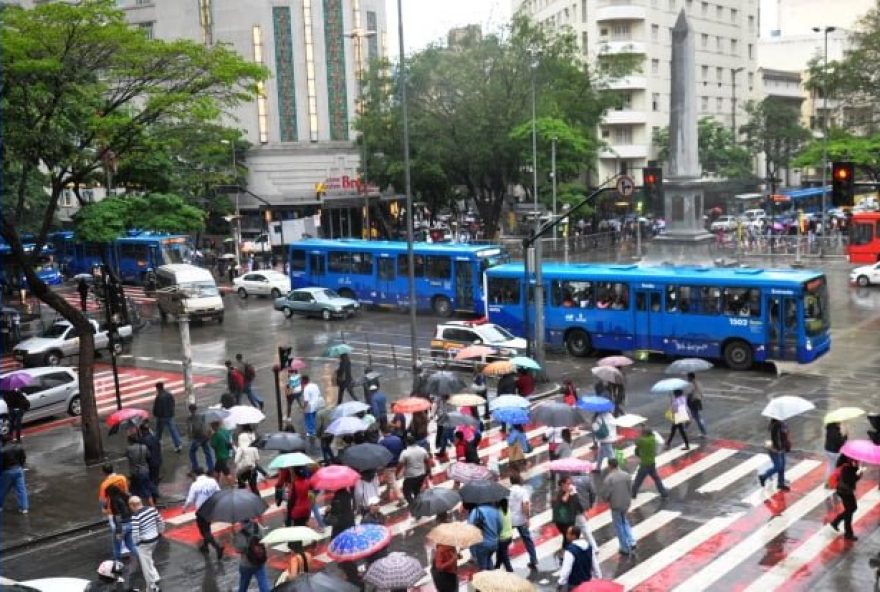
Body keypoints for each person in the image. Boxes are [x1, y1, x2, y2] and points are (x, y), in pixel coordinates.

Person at [183, 468, 223, 558]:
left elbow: (190, 500)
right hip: (212, 508)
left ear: (195, 475)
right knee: (207, 528)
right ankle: (205, 546)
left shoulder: (195, 485)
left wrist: (184, 509)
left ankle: (217, 547)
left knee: (204, 531)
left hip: (202, 510)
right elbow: (219, 492)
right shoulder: (212, 481)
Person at [129, 495, 164, 592]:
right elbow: (161, 521)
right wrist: (160, 531)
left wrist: (136, 543)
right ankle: (156, 576)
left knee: (145, 566)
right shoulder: (152, 509)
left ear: (132, 505)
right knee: (149, 558)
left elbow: (135, 533)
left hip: (144, 543)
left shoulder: (135, 516)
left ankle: (151, 587)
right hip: (155, 538)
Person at [602, 458, 636, 555]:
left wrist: (606, 499)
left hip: (615, 504)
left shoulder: (609, 479)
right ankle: (631, 541)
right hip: (626, 503)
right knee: (624, 521)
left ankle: (624, 547)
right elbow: (630, 489)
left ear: (609, 466)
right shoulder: (626, 475)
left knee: (619, 525)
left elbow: (606, 494)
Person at [508, 471, 538, 569]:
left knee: (505, 539)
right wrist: (527, 517)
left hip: (510, 519)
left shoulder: (507, 491)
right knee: (527, 539)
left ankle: (505, 559)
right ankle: (533, 559)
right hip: (521, 519)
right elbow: (525, 505)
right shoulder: (523, 491)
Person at [830, 455, 861, 541]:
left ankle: (836, 522)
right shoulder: (848, 466)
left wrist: (855, 468)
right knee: (850, 510)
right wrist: (858, 475)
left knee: (851, 509)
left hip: (842, 489)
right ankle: (848, 533)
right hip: (845, 491)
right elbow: (850, 479)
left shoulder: (847, 463)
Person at [631, 426, 669, 498]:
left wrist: (639, 436)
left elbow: (636, 442)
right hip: (652, 463)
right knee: (656, 479)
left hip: (644, 464)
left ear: (644, 434)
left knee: (638, 480)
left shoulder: (642, 441)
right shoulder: (652, 438)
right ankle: (663, 492)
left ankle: (633, 493)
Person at [106, 484, 138, 563]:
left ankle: (118, 565)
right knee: (131, 544)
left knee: (117, 547)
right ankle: (143, 559)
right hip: (130, 523)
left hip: (122, 525)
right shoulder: (126, 497)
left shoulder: (114, 500)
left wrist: (118, 531)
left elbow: (117, 516)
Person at [235, 520, 270, 592]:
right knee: (263, 583)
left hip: (246, 564)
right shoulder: (258, 526)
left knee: (243, 586)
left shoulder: (240, 533)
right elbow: (265, 541)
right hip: (259, 560)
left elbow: (238, 550)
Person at [553, 476, 584, 556]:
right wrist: (568, 492)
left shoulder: (572, 491)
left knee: (567, 536)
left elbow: (577, 502)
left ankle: (565, 551)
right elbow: (563, 500)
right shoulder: (560, 492)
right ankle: (568, 552)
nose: (570, 485)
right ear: (563, 484)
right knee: (568, 536)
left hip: (570, 518)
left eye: (570, 483)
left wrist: (583, 512)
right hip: (562, 520)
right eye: (568, 483)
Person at [467, 501, 502, 571]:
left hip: (482, 544)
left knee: (483, 567)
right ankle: (492, 579)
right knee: (489, 559)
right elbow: (500, 527)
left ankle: (486, 580)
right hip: (494, 543)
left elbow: (469, 527)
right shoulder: (495, 511)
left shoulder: (476, 511)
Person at [397, 435, 431, 505]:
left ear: (407, 443)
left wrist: (397, 473)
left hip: (410, 476)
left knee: (406, 492)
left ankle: (414, 505)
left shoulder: (405, 453)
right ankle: (419, 505)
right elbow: (427, 461)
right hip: (421, 474)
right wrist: (429, 472)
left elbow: (400, 464)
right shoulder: (422, 450)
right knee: (417, 491)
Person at [759, 418, 791, 492]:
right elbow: (776, 438)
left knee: (782, 466)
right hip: (776, 449)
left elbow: (784, 436)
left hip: (781, 448)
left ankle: (781, 483)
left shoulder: (782, 424)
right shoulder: (776, 425)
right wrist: (779, 449)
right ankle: (764, 476)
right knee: (778, 466)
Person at [0, 435, 29, 513]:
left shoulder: (2, 451)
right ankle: (24, 508)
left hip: (7, 472)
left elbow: (1, 464)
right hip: (18, 470)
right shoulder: (19, 447)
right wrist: (21, 466)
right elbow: (23, 457)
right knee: (21, 489)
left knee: (2, 489)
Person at [151, 382, 182, 453]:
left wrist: (155, 414)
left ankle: (155, 445)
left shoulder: (159, 397)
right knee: (173, 430)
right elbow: (173, 404)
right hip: (169, 416)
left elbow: (157, 408)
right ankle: (178, 445)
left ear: (157, 388)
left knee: (158, 431)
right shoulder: (169, 395)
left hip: (161, 417)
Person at [126, 434, 155, 506]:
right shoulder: (144, 447)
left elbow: (128, 457)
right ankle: (153, 507)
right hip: (145, 471)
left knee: (135, 492)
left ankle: (139, 507)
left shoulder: (129, 449)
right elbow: (148, 456)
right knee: (147, 491)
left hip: (135, 472)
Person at [186, 404, 214, 474]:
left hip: (197, 438)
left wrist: (190, 436)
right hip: (205, 437)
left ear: (190, 410)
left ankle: (195, 467)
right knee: (207, 452)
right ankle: (211, 467)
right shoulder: (202, 416)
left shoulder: (190, 418)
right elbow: (206, 425)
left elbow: (190, 429)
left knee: (192, 452)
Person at [379, 426, 404, 502]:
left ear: (383, 432)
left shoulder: (382, 442)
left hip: (389, 464)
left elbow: (381, 454)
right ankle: (386, 493)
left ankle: (400, 497)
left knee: (392, 481)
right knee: (389, 479)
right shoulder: (397, 439)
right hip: (398, 462)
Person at [138, 422, 163, 492]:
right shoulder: (155, 437)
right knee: (155, 477)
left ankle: (154, 494)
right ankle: (155, 490)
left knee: (151, 479)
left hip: (150, 462)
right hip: (158, 460)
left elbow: (144, 453)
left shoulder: (142, 440)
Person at [209, 420, 234, 486]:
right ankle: (215, 485)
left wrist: (211, 437)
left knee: (227, 473)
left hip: (220, 456)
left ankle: (232, 486)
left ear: (214, 426)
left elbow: (213, 445)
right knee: (216, 471)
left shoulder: (216, 435)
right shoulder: (225, 431)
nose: (211, 428)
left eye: (212, 426)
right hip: (226, 454)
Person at [494, 498, 514, 572]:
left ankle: (510, 571)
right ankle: (497, 567)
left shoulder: (498, 513)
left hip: (502, 538)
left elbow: (497, 527)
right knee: (500, 553)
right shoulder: (507, 510)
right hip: (509, 536)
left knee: (505, 557)